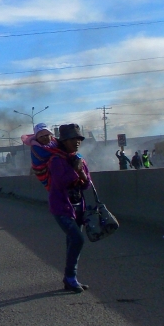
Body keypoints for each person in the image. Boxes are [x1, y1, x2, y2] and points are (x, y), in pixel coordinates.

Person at [48, 124, 92, 293]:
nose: (77, 142)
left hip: (78, 206)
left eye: (79, 139)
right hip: (62, 207)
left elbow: (87, 184)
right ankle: (70, 277)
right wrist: (75, 170)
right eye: (73, 139)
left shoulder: (79, 158)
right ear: (64, 141)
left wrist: (81, 172)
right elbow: (61, 182)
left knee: (72, 241)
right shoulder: (56, 160)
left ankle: (70, 279)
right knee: (78, 239)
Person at [21, 123, 60, 190]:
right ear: (37, 138)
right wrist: (60, 155)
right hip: (41, 169)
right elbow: (43, 156)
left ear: (51, 135)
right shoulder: (36, 146)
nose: (44, 137)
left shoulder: (55, 143)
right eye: (41, 136)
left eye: (46, 135)